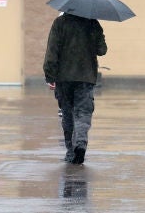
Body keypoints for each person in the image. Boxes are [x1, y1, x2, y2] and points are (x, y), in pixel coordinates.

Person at [43, 12, 107, 165]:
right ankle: (80, 145)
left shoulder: (60, 23)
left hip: (63, 78)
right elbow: (102, 50)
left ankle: (70, 151)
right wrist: (98, 36)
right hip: (86, 77)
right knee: (83, 112)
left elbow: (52, 51)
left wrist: (49, 76)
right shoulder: (93, 23)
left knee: (67, 114)